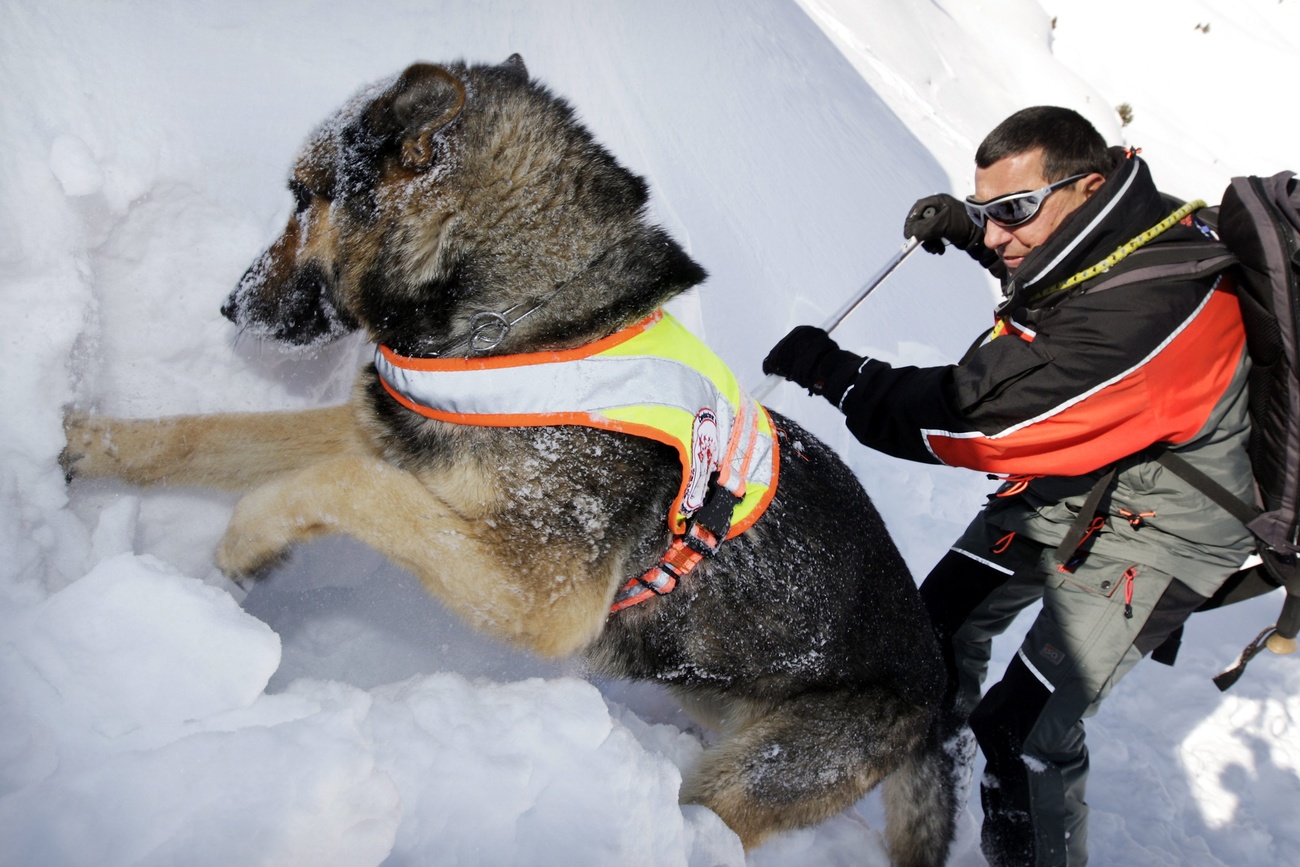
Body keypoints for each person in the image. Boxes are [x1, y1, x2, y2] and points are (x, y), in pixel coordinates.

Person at [762, 106, 1256, 866]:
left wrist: (839, 375)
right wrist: (970, 232)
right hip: (1083, 471)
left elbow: (971, 419)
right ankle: (935, 781)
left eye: (1012, 211)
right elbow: (1070, 275)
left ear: (1087, 187)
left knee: (1022, 729)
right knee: (932, 627)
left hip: (1166, 525)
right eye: (990, 212)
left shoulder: (1154, 318)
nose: (998, 234)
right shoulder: (1128, 223)